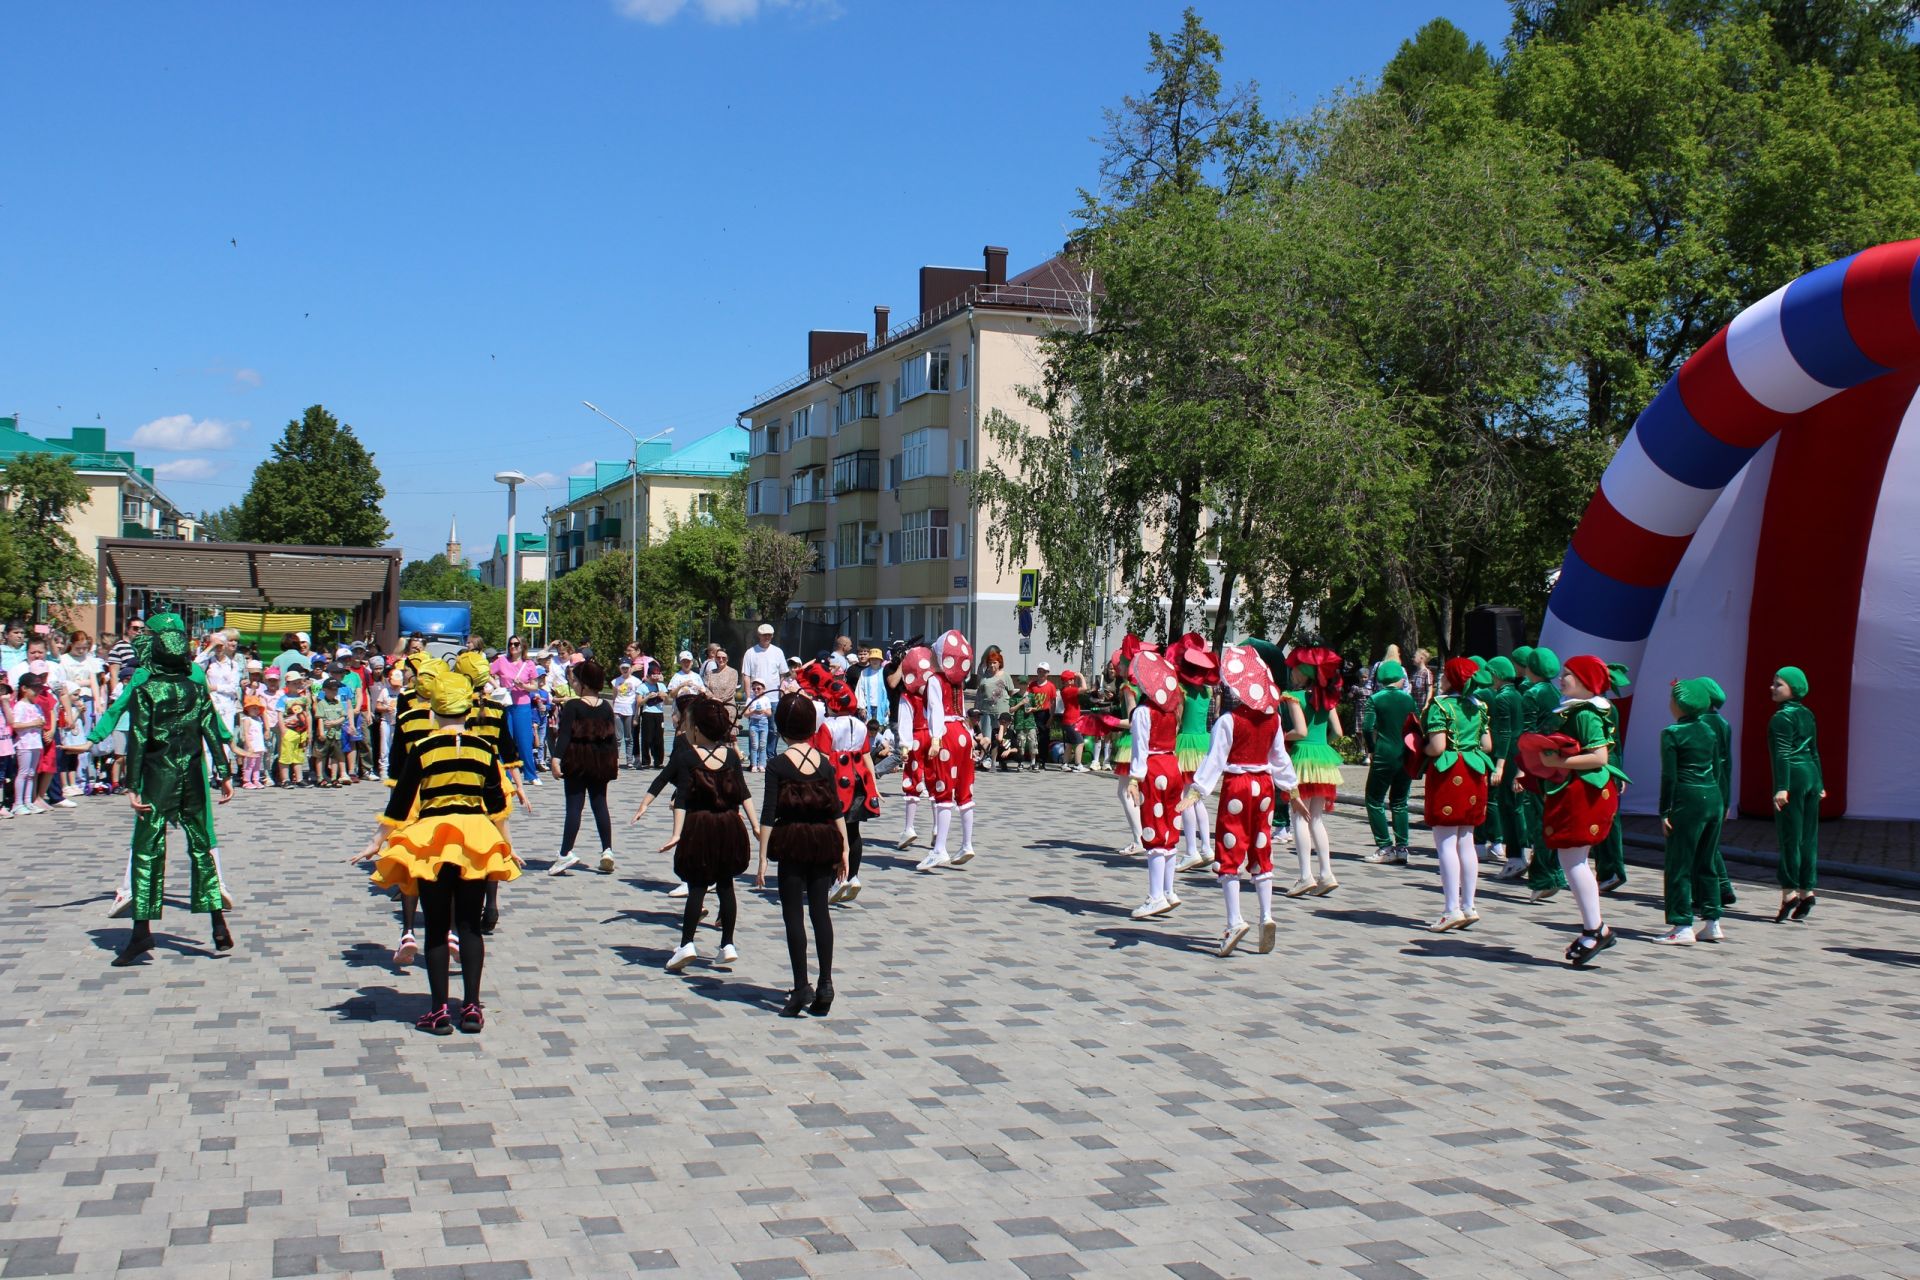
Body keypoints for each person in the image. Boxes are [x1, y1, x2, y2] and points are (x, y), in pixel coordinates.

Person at [352, 664, 523, 1033]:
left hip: (432, 839)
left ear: (434, 710)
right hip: (475, 837)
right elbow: (496, 805)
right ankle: (473, 1007)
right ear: (467, 709)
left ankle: (439, 1010)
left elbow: (401, 800)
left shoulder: (425, 747)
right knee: (470, 926)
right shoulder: (483, 748)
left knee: (436, 927)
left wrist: (377, 841)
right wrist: (507, 845)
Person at [110, 615, 236, 967]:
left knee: (149, 850)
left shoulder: (147, 690)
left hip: (157, 777)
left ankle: (141, 930)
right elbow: (212, 731)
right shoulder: (197, 689)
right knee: (200, 846)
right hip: (192, 776)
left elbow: (138, 738)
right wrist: (224, 774)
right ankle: (217, 921)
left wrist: (132, 785)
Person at [1175, 644, 1301, 957]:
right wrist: (1293, 790)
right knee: (1261, 846)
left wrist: (1196, 791)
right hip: (1264, 787)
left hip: (1238, 786)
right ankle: (1266, 915)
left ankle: (1234, 921)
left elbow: (1214, 761)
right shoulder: (1272, 720)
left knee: (1230, 849)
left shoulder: (1229, 722)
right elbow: (1280, 758)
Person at [1532, 654, 1630, 966]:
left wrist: (1556, 762)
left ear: (1586, 681)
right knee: (1572, 860)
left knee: (1574, 861)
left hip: (1582, 791)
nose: (1562, 678)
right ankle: (1594, 927)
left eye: (1569, 674)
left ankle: (1595, 928)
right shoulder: (1579, 708)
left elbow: (1599, 757)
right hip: (1576, 789)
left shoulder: (1585, 713)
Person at [648, 696, 756, 973]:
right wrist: (756, 826)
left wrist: (675, 832)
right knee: (726, 885)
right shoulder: (731, 756)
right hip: (729, 825)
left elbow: (681, 798)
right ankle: (727, 944)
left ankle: (687, 943)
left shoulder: (687, 757)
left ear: (697, 729)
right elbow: (744, 793)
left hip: (700, 826)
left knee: (697, 886)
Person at [756, 693, 848, 1017]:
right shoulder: (823, 762)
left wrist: (762, 857)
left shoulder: (778, 765)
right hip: (823, 840)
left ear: (781, 727)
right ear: (812, 725)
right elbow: (836, 808)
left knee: (793, 915)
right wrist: (845, 847)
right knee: (820, 912)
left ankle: (800, 987)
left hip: (792, 840)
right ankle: (825, 983)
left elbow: (768, 813)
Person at [1421, 658, 1494, 932]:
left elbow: (1438, 746)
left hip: (1450, 772)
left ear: (1452, 679)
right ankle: (1469, 905)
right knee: (1467, 839)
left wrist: (1421, 748)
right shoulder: (1480, 706)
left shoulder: (1441, 705)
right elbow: (1487, 745)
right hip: (1475, 771)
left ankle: (1451, 908)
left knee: (1445, 842)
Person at [1657, 678, 1726, 944]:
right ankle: (1712, 920)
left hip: (1687, 798)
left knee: (1679, 863)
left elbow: (1669, 776)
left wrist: (1665, 810)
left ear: (1679, 704)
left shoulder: (1672, 733)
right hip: (1713, 797)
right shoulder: (1709, 731)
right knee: (1706, 861)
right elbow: (1718, 768)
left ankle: (1681, 924)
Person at [1125, 649, 1186, 920]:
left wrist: (1135, 778)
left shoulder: (1143, 712)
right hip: (1173, 766)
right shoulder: (1171, 711)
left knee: (1152, 829)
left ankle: (1155, 896)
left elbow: (1140, 747)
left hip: (1153, 769)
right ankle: (1169, 891)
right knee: (1171, 829)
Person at [547, 658, 620, 877]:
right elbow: (611, 738)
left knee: (574, 807)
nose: (575, 685)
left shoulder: (573, 706)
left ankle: (565, 853)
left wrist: (556, 759)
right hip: (600, 762)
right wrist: (613, 762)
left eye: (576, 681)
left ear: (585, 683)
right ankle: (607, 850)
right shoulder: (606, 707)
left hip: (577, 761)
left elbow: (565, 735)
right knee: (600, 805)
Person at [914, 630, 978, 873]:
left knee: (942, 789)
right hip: (963, 732)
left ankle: (939, 848)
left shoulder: (934, 680)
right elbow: (961, 708)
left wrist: (935, 738)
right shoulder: (957, 681)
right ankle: (966, 843)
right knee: (965, 789)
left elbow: (935, 709)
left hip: (946, 734)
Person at [1283, 647, 1344, 898]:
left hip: (1302, 757)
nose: (1292, 671)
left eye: (1295, 668)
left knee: (1299, 816)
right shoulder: (1327, 698)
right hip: (1323, 758)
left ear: (1303, 672)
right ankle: (1326, 873)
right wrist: (1323, 744)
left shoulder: (1293, 696)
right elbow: (1338, 732)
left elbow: (1301, 731)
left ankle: (1305, 875)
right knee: (1316, 818)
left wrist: (1284, 738)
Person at [1769, 665, 1824, 922]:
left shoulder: (1781, 717)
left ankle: (1789, 892)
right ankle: (1807, 890)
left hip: (1793, 777)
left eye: (1779, 684)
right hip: (1811, 775)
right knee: (1808, 837)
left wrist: (1782, 786)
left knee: (1790, 836)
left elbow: (1781, 753)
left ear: (1793, 689)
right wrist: (1820, 782)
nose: (1773, 687)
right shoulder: (1807, 714)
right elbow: (1814, 750)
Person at [1518, 646, 1570, 903]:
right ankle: (1556, 872)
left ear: (1532, 668)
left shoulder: (1531, 694)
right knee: (1550, 818)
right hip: (1555, 764)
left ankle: (1543, 877)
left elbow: (1527, 734)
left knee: (1537, 820)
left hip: (1536, 764)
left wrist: (1521, 768)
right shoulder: (1555, 692)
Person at [1166, 636, 1218, 874]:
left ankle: (1191, 851)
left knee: (1185, 797)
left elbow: (1177, 720)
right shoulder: (1208, 690)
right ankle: (1206, 848)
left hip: (1186, 742)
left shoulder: (1182, 689)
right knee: (1198, 798)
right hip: (1204, 742)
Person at [1360, 659, 1416, 865]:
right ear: (1399, 678)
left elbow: (1367, 727)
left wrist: (1371, 749)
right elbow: (1416, 724)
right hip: (1406, 753)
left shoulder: (1376, 699)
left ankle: (1384, 846)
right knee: (1400, 801)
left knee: (1374, 799)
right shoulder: (1408, 700)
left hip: (1384, 752)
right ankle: (1402, 847)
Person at [1486, 657, 1528, 881]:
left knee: (1508, 805)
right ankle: (1519, 854)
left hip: (1510, 755)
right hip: (1519, 753)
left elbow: (1504, 733)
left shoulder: (1502, 697)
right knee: (1516, 806)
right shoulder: (1518, 694)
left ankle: (1515, 857)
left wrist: (1499, 765)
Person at [491, 636, 541, 787]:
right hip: (506, 704)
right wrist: (496, 686)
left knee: (524, 741)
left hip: (522, 705)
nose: (512, 646)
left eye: (516, 644)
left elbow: (535, 686)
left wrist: (524, 686)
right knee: (505, 740)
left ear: (522, 647)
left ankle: (530, 774)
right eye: (510, 644)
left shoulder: (529, 664)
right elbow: (486, 673)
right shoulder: (501, 661)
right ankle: (504, 775)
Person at [975, 651, 1014, 761]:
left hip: (1001, 710)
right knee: (987, 735)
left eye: (995, 662)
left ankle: (1000, 758)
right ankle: (985, 758)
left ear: (999, 663)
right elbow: (980, 692)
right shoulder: (985, 676)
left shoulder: (1005, 675)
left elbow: (1010, 692)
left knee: (1000, 735)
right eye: (990, 663)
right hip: (986, 710)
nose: (992, 665)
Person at [741, 624, 787, 700]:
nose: (767, 637)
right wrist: (749, 698)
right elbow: (746, 677)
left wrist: (781, 695)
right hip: (755, 698)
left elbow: (783, 675)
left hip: (774, 698)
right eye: (764, 635)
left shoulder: (778, 652)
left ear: (772, 636)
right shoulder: (750, 652)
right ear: (759, 635)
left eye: (769, 635)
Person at [637, 662, 668, 767]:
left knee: (659, 738)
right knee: (647, 738)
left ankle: (658, 761)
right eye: (653, 675)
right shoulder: (642, 687)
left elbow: (666, 699)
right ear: (648, 675)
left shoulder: (661, 685)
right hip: (647, 713)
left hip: (659, 713)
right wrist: (648, 697)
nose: (655, 677)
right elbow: (639, 703)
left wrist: (661, 694)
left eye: (657, 674)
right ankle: (645, 761)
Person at [1028, 662, 1058, 771]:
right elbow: (1028, 699)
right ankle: (1033, 759)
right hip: (1033, 713)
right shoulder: (1032, 685)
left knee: (1044, 738)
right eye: (1039, 671)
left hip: (1044, 714)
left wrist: (1051, 717)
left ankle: (1042, 761)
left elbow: (1053, 702)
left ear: (1047, 673)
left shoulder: (1051, 686)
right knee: (1032, 737)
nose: (1041, 673)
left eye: (1043, 672)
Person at [611, 660, 640, 769]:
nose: (625, 670)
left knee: (629, 737)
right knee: (618, 737)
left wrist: (636, 715)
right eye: (623, 668)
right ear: (620, 668)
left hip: (630, 710)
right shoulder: (616, 681)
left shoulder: (636, 681)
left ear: (630, 668)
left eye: (627, 668)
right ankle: (616, 759)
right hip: (618, 709)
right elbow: (614, 696)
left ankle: (629, 760)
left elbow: (637, 700)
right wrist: (613, 710)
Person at [742, 678, 776, 770]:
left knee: (762, 745)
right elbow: (745, 714)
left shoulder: (766, 699)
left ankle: (762, 764)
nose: (756, 690)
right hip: (753, 723)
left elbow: (769, 713)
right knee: (754, 745)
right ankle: (753, 764)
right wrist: (753, 712)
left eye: (758, 688)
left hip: (764, 723)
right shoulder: (750, 699)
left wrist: (763, 711)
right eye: (754, 689)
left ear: (763, 689)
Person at [855, 648, 889, 725]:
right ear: (869, 660)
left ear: (881, 660)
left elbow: (889, 691)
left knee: (881, 730)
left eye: (877, 659)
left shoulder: (885, 672)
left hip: (882, 708)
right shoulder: (864, 672)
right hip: (868, 708)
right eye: (872, 659)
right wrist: (861, 707)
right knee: (868, 731)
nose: (875, 661)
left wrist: (889, 707)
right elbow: (860, 690)